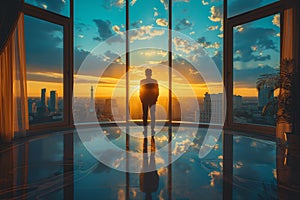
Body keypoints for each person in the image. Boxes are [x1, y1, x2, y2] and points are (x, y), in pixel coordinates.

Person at [140, 68, 159, 135]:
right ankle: (151, 129)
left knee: (146, 115)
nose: (148, 74)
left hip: (147, 100)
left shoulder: (142, 81)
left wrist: (142, 99)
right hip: (150, 100)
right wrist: (155, 99)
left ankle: (147, 129)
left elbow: (157, 91)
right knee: (150, 115)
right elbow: (157, 91)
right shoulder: (154, 81)